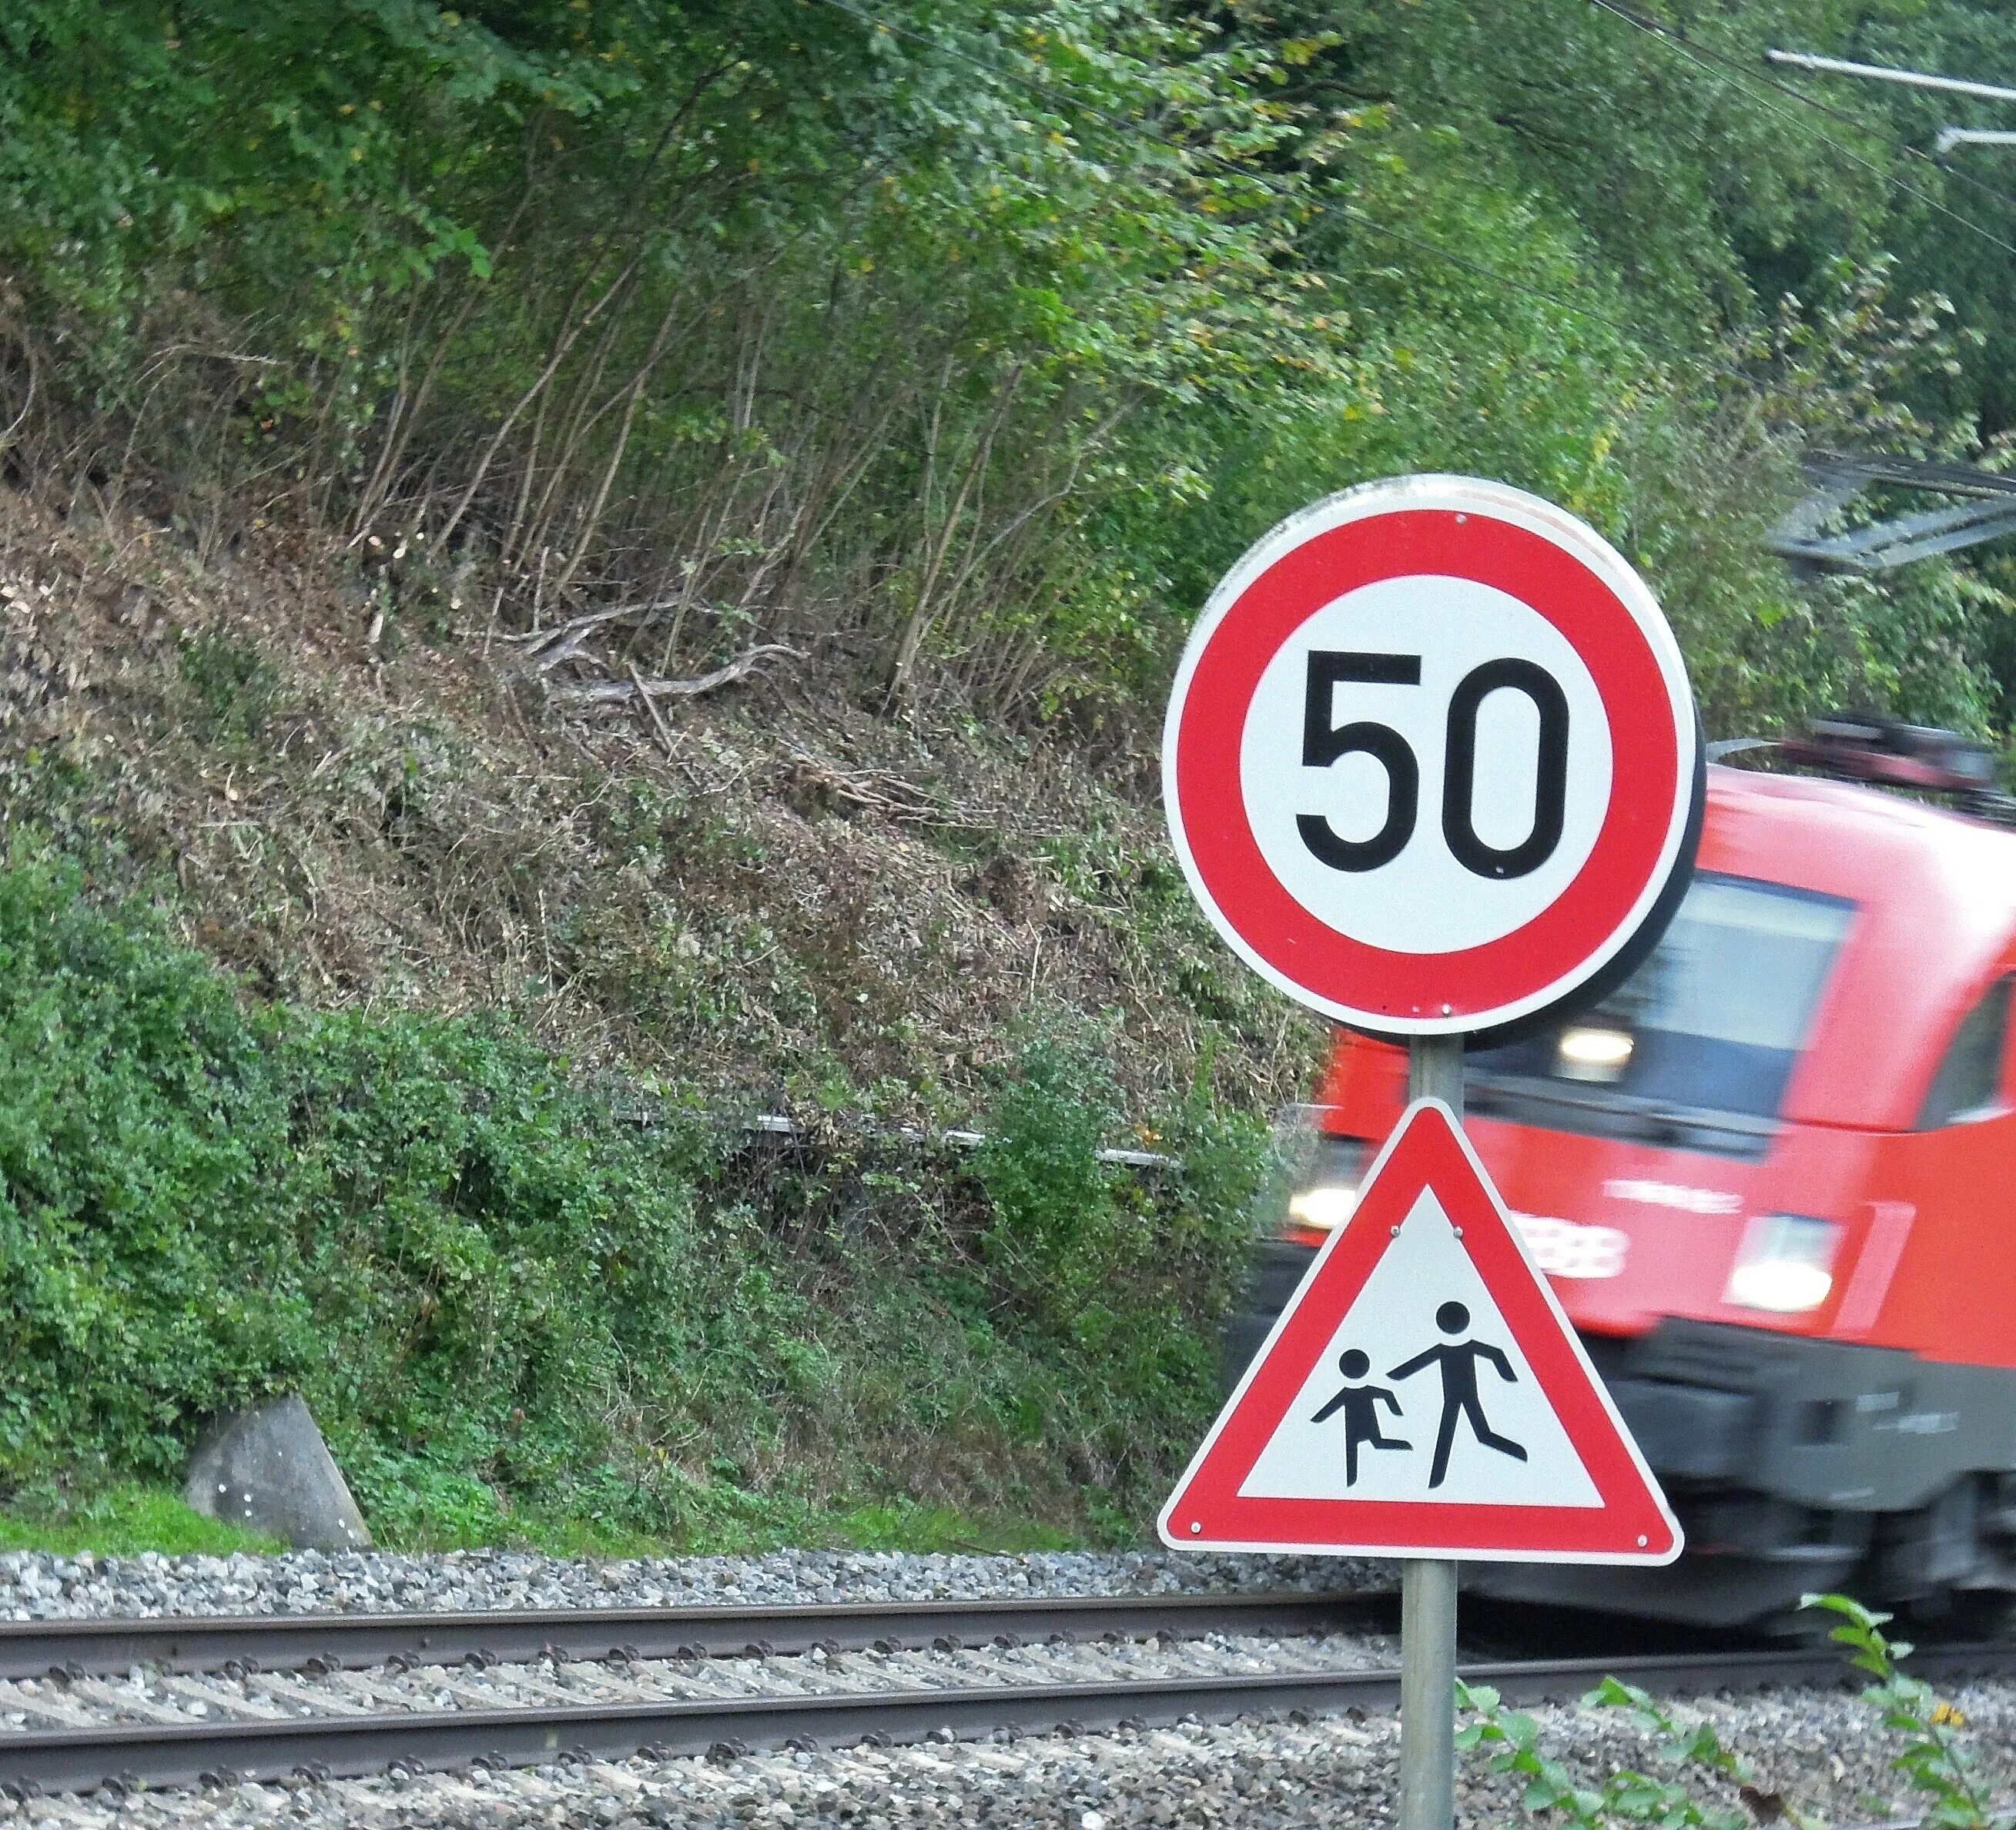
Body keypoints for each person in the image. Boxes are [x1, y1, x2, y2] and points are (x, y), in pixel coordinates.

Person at [1387, 1301, 1527, 1489]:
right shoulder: (1451, 1349)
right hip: (1454, 1399)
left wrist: (1510, 1376)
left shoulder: (1451, 1349)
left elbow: (1495, 1354)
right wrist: (1394, 1376)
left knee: (1466, 1435)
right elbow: (1495, 1354)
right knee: (1467, 1434)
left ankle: (1520, 1454)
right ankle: (1435, 1481)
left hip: (1464, 1398)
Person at [1309, 1348, 1410, 1485]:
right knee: (1367, 1447)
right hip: (1359, 1427)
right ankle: (1350, 1483)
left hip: (1356, 1427)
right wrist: (1396, 1411)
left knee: (1361, 1448)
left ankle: (1406, 1447)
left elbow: (1329, 1408)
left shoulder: (1347, 1394)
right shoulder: (1361, 1392)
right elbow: (1388, 1395)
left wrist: (1316, 1419)